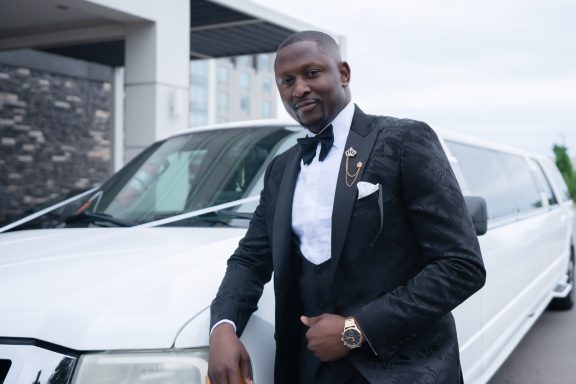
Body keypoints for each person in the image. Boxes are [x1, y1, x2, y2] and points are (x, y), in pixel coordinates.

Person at [208, 30, 486, 384]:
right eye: (286, 81)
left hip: (400, 370)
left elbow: (461, 266)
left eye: (311, 73)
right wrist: (223, 327)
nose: (299, 90)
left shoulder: (404, 141)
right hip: (306, 371)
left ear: (343, 73)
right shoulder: (281, 169)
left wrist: (356, 330)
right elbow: (250, 259)